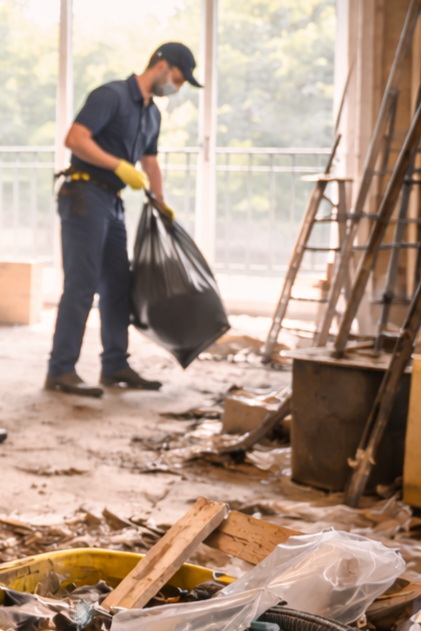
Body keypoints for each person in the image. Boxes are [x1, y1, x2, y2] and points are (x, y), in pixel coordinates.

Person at [45, 42, 202, 397]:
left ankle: (115, 364)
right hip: (84, 195)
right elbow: (75, 139)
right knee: (82, 286)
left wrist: (160, 202)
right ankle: (60, 369)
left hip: (112, 204)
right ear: (161, 65)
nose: (176, 87)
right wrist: (117, 165)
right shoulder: (112, 95)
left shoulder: (152, 114)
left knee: (118, 286)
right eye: (178, 78)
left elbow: (150, 162)